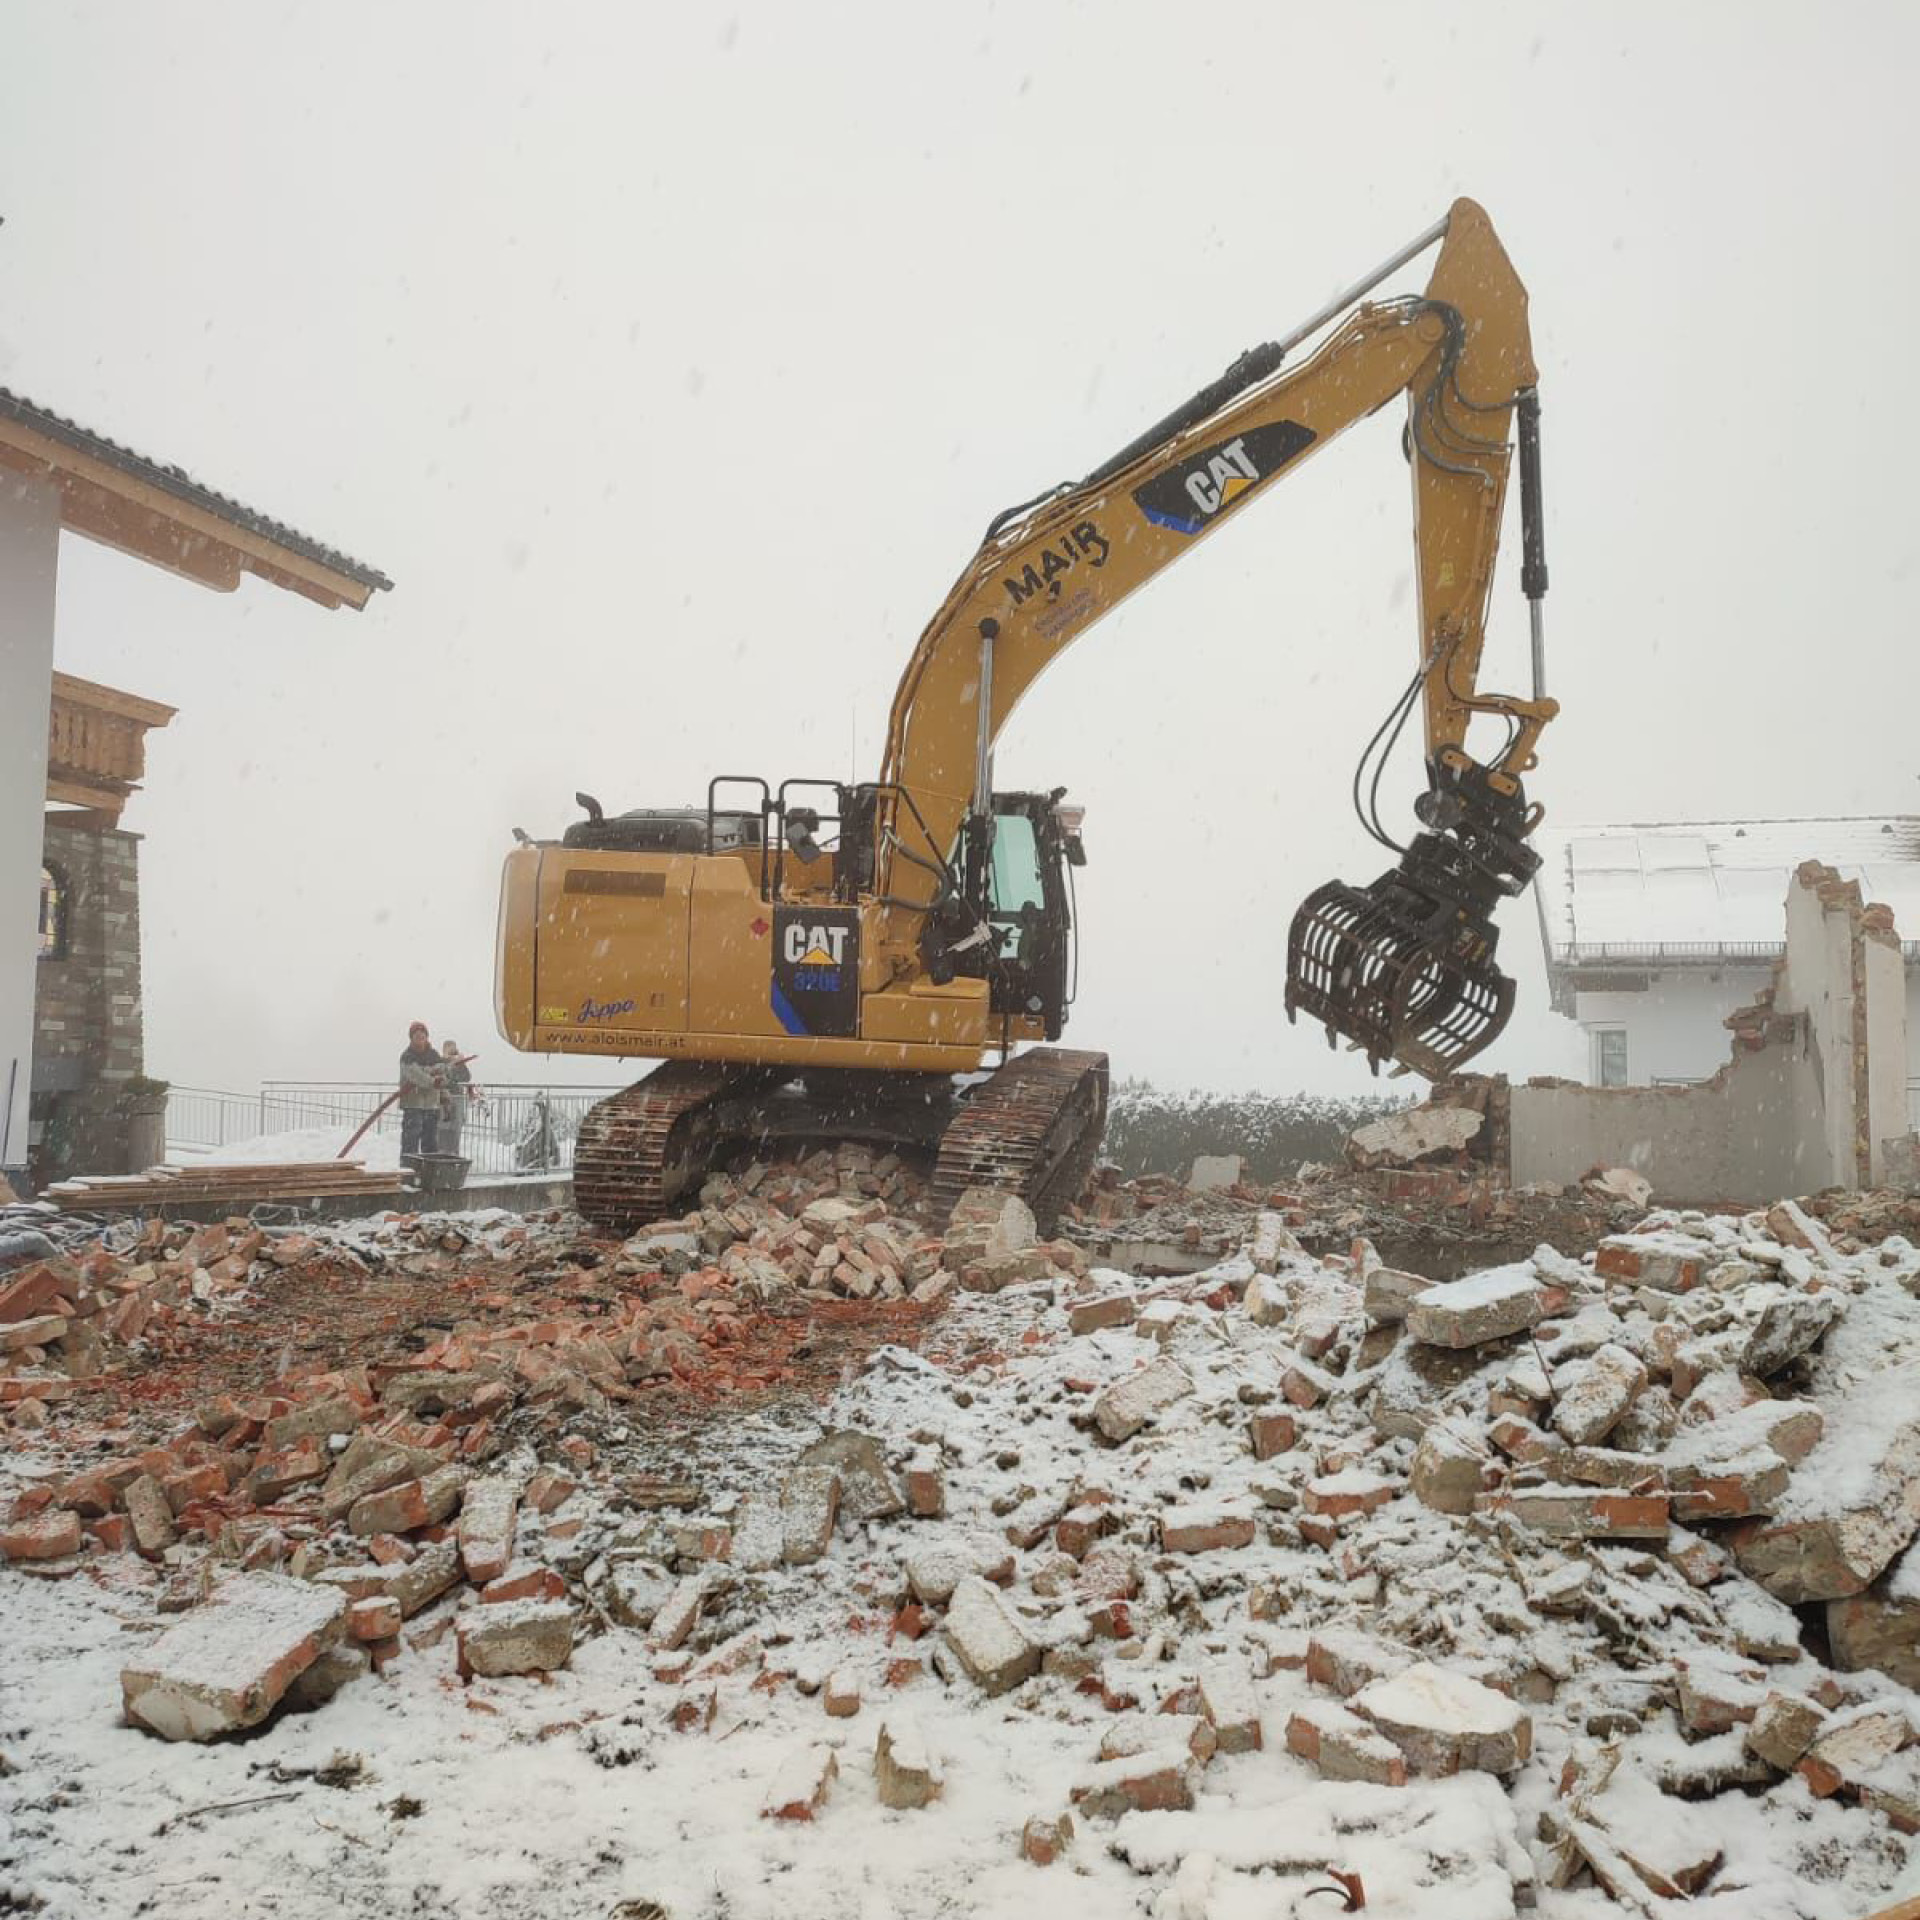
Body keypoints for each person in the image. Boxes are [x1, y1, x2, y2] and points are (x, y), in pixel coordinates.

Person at [397, 1022, 444, 1158]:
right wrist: (432, 1079)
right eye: (417, 1036)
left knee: (430, 1143)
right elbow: (416, 1075)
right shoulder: (407, 1056)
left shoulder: (434, 1055)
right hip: (413, 1104)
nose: (420, 1039)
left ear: (427, 1037)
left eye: (422, 1036)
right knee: (410, 1143)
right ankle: (409, 1172)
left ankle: (429, 1173)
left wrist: (440, 1081)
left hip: (431, 1105)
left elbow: (443, 1073)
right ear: (411, 1038)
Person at [438, 1040, 476, 1158]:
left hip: (457, 1100)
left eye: (452, 1049)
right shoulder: (439, 1063)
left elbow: (466, 1078)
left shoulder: (459, 1063)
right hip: (443, 1100)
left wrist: (460, 1064)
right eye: (448, 1049)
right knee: (443, 1128)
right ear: (443, 1050)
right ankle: (441, 1154)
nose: (450, 1052)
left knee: (455, 1129)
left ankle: (454, 1155)